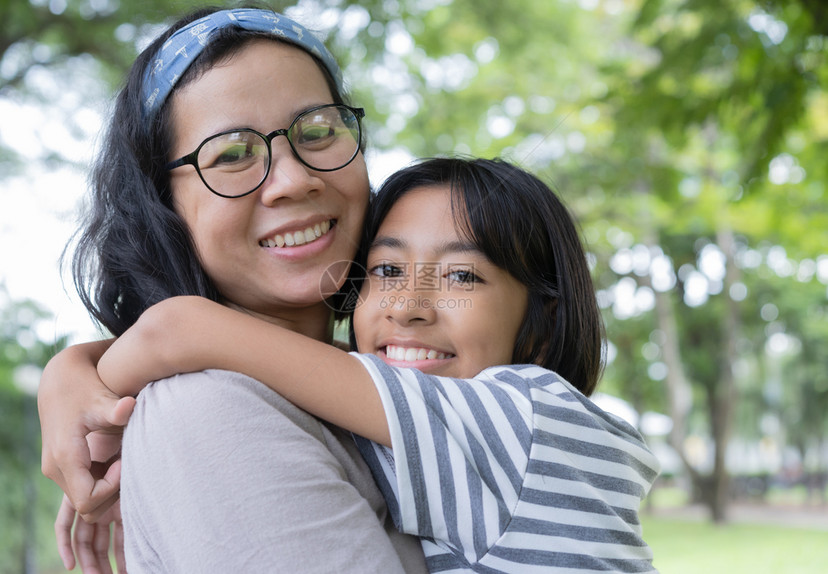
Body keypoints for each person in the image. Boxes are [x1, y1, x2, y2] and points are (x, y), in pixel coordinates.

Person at [93, 157, 661, 573]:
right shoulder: (442, 437)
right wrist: (72, 372)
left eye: (462, 276)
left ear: (540, 325)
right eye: (386, 271)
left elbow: (180, 330)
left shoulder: (529, 420)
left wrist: (87, 407)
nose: (408, 308)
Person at [37, 5, 428, 573]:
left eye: (318, 130)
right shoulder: (206, 410)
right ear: (161, 207)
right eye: (233, 154)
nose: (293, 180)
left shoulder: (398, 378)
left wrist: (82, 366)